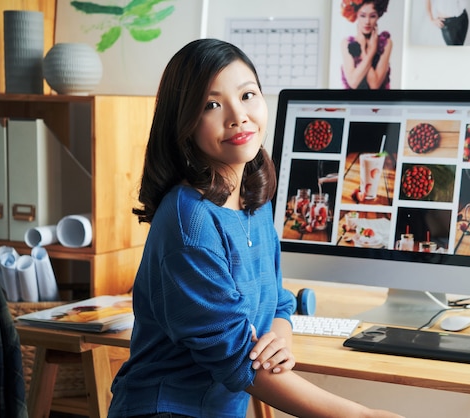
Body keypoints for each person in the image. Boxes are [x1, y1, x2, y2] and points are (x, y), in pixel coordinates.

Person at [107, 38, 403, 418]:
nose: (238, 116)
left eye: (248, 95)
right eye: (211, 105)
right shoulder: (190, 223)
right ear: (184, 122)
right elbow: (236, 361)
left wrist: (277, 340)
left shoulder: (251, 198)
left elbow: (277, 300)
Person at [341, 0, 392, 89]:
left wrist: (368, 51)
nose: (367, 21)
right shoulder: (347, 43)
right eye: (363, 16)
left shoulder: (385, 43)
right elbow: (353, 82)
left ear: (378, 16)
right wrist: (364, 48)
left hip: (378, 101)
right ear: (356, 15)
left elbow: (374, 85)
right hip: (351, 101)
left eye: (372, 16)